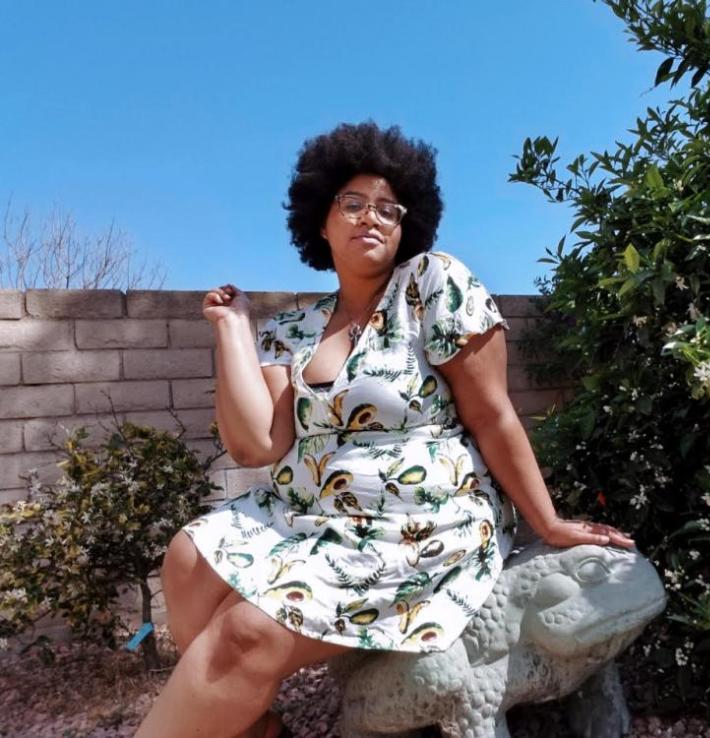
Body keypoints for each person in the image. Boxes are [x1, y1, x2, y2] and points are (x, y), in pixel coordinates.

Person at [135, 121, 634, 738]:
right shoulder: (291, 329)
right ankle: (253, 724)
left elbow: (492, 413)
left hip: (418, 521)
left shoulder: (431, 285)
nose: (371, 217)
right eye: (352, 203)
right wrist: (233, 329)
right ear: (322, 219)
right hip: (309, 513)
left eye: (388, 209)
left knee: (245, 633)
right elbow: (256, 445)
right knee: (187, 558)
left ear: (406, 226)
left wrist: (547, 522)